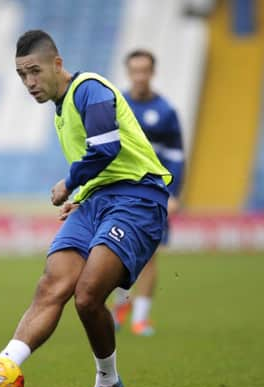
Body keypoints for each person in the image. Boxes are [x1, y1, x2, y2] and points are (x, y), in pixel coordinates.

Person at [0, 30, 171, 387]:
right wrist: (81, 197)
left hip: (137, 200)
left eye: (35, 71)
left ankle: (107, 382)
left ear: (57, 64)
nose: (29, 82)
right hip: (96, 203)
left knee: (87, 295)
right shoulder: (61, 110)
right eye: (21, 75)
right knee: (52, 283)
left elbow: (107, 149)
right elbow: (103, 168)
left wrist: (69, 183)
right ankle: (2, 362)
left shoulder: (90, 89)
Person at [111, 49, 185, 336]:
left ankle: (141, 318)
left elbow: (177, 154)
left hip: (155, 192)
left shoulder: (165, 111)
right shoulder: (117, 106)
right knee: (117, 253)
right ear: (128, 73)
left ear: (152, 73)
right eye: (135, 71)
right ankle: (121, 305)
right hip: (123, 192)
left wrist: (174, 193)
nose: (140, 76)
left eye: (145, 70)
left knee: (151, 255)